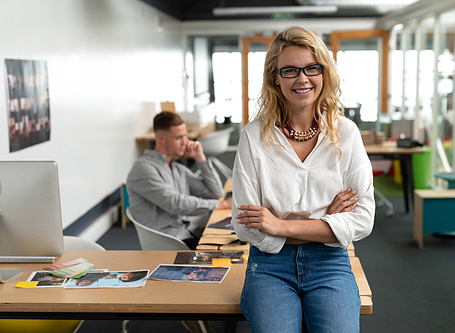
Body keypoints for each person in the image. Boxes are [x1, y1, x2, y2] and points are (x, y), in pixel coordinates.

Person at [231, 26, 375, 333]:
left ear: (324, 73)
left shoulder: (346, 133)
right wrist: (327, 224)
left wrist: (281, 225)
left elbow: (363, 219)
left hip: (330, 263)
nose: (302, 78)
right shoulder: (254, 137)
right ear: (275, 77)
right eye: (290, 70)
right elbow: (244, 224)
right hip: (270, 266)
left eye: (312, 68)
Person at [127, 111, 232, 250]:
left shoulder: (177, 168)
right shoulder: (143, 169)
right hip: (169, 241)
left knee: (232, 240)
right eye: (179, 137)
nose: (186, 142)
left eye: (185, 136)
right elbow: (174, 203)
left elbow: (216, 193)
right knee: (226, 251)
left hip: (188, 231)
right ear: (161, 138)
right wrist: (222, 204)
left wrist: (200, 158)